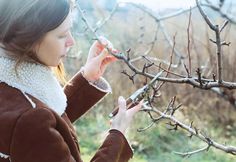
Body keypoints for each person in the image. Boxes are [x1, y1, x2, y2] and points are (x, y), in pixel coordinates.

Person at [0, 0, 142, 162]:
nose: (71, 42)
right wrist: (118, 135)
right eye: (62, 35)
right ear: (28, 36)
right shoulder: (30, 119)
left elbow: (46, 126)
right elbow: (36, 124)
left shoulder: (13, 89)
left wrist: (87, 78)